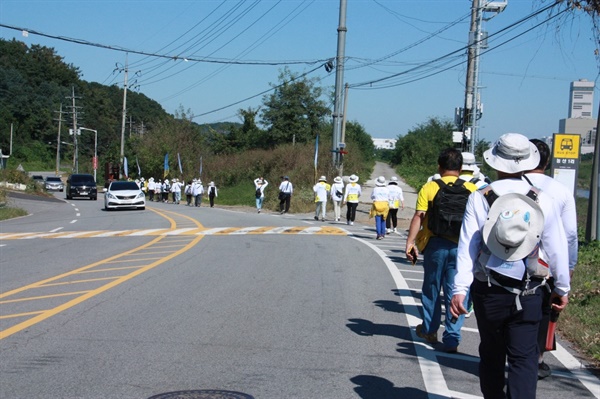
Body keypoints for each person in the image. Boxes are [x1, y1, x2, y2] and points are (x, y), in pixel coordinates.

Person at [449, 133, 570, 399]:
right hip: (529, 292)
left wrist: (459, 289)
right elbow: (557, 248)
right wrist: (561, 287)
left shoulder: (480, 197)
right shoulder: (542, 199)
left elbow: (468, 247)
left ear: (495, 163)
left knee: (492, 354)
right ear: (527, 162)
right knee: (524, 359)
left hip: (489, 290)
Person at [405, 148, 477, 353]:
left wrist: (410, 243)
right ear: (461, 168)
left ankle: (429, 330)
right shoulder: (473, 190)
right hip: (462, 248)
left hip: (435, 245)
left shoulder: (429, 187)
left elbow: (419, 216)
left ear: (439, 166)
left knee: (432, 288)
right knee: (457, 291)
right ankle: (452, 338)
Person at [525, 139, 578, 379]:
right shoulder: (561, 190)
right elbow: (570, 235)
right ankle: (537, 359)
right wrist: (568, 268)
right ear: (547, 162)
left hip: (508, 261)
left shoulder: (507, 185)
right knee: (543, 310)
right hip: (545, 266)